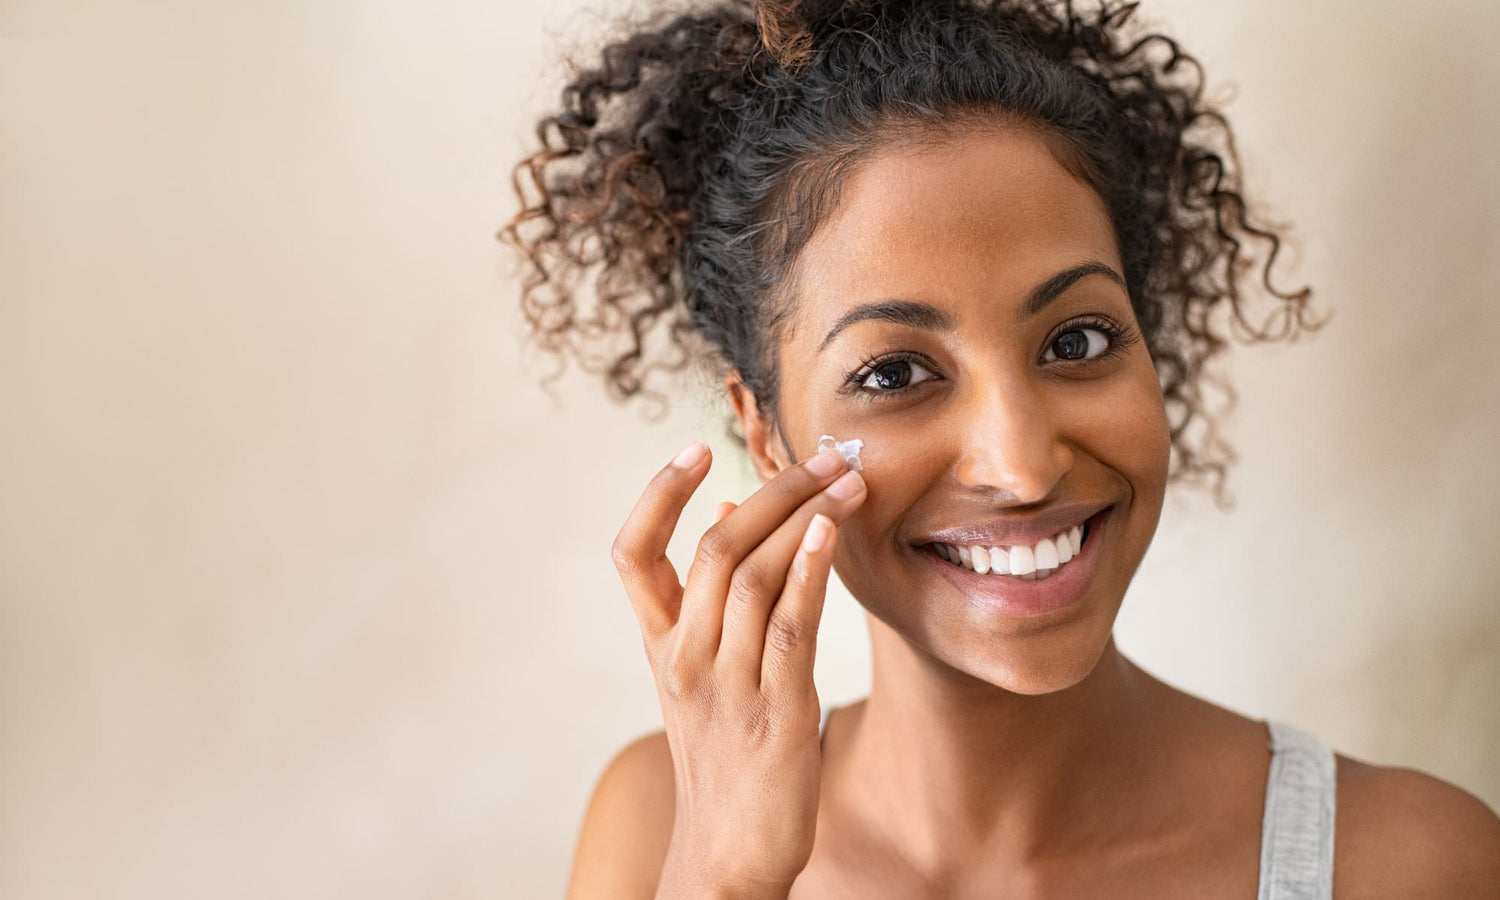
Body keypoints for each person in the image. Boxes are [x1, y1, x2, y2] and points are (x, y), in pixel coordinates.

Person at [501, 0, 1500, 896]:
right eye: (894, 373)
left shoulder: (1404, 862)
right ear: (764, 431)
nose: (1022, 466)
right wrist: (722, 879)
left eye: (1077, 340)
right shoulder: (655, 831)